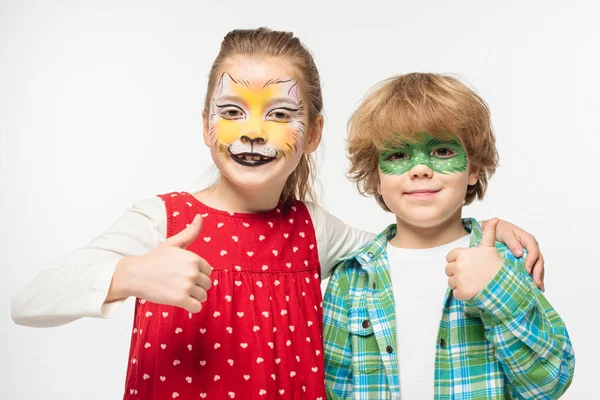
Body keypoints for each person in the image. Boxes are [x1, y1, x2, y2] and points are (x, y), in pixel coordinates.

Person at [12, 30, 545, 400]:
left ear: (312, 134)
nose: (252, 131)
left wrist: (491, 232)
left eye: (281, 113)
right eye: (231, 112)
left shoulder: (316, 229)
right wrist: (126, 274)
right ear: (205, 126)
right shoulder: (161, 220)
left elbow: (410, 239)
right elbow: (28, 302)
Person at [323, 73, 574, 399]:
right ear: (376, 175)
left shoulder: (506, 260)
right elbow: (333, 388)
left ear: (473, 169)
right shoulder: (350, 277)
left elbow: (548, 384)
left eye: (441, 151)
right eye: (398, 155)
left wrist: (498, 291)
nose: (420, 169)